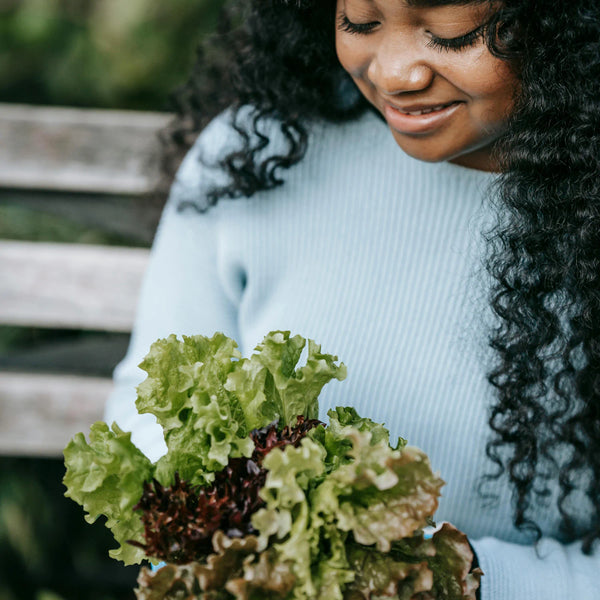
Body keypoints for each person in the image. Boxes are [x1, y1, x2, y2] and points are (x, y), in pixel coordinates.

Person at [105, 0, 600, 597]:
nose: (395, 74)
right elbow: (147, 404)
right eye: (360, 23)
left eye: (451, 32)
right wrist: (231, 555)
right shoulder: (257, 152)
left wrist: (420, 578)